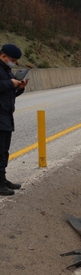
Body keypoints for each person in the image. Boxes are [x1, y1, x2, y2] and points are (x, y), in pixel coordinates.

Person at [0, 44, 28, 196]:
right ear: (3, 56)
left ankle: (2, 180)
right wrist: (10, 83)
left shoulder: (7, 71)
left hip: (6, 117)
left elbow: (10, 95)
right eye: (12, 60)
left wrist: (20, 87)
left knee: (4, 152)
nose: (14, 63)